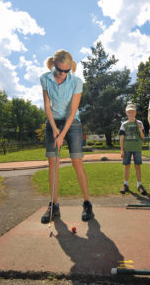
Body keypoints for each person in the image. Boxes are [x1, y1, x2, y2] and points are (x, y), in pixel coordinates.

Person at [39, 50, 94, 223]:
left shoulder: (76, 82)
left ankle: (87, 203)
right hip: (53, 122)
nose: (63, 74)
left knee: (77, 162)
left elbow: (72, 111)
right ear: (54, 65)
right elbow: (47, 107)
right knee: (52, 163)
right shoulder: (45, 79)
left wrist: (62, 133)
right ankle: (54, 206)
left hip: (73, 124)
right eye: (60, 70)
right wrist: (54, 128)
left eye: (66, 71)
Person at [118, 103, 147, 195]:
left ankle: (139, 185)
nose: (131, 113)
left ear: (135, 112)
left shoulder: (140, 123)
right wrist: (122, 150)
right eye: (129, 112)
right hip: (126, 149)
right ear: (126, 113)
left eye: (132, 112)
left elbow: (142, 136)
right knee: (127, 166)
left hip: (137, 148)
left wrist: (140, 129)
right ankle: (125, 185)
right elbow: (122, 138)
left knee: (137, 166)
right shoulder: (124, 124)